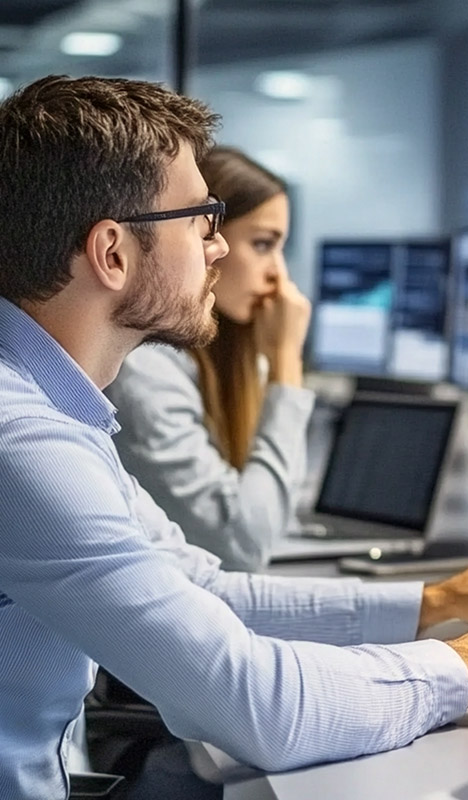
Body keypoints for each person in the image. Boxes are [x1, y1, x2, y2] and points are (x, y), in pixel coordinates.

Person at [0, 75, 468, 800]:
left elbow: (200, 589)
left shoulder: (53, 410)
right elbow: (253, 705)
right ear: (112, 253)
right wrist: (466, 667)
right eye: (203, 220)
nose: (217, 247)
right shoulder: (23, 443)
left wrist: (436, 600)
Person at [107, 146, 311, 571]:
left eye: (281, 249)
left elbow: (268, 518)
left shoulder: (228, 361)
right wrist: (286, 364)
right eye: (261, 244)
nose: (279, 275)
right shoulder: (146, 369)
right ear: (205, 241)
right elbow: (242, 545)